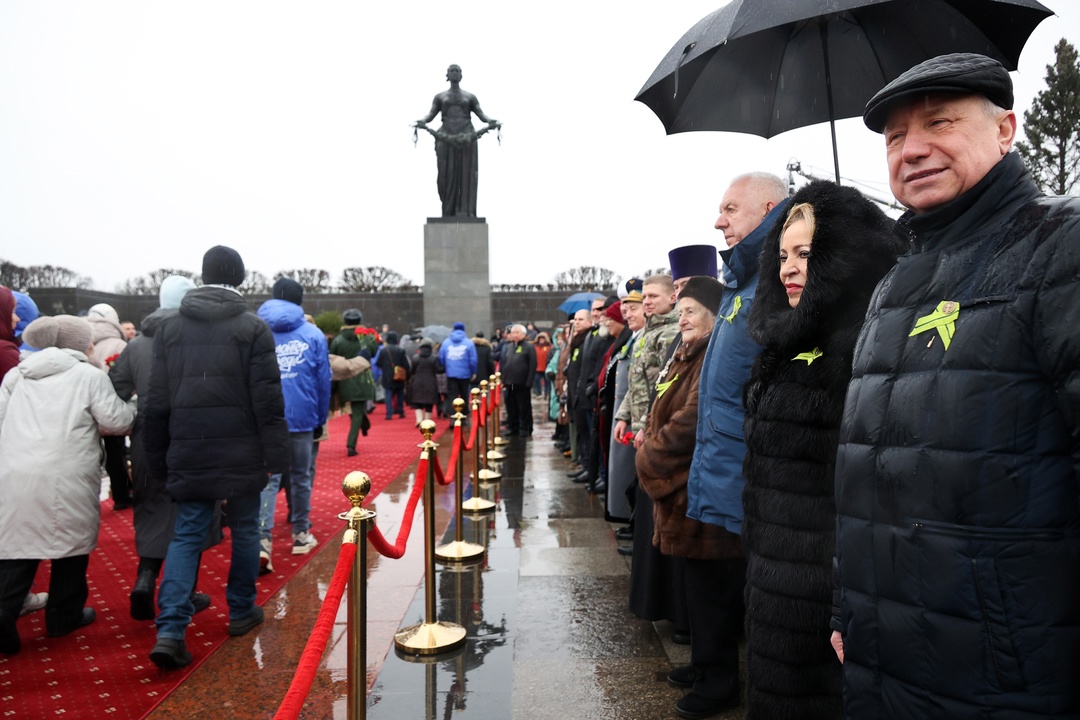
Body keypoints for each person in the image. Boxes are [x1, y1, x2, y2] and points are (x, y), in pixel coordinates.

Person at [831, 53, 1080, 718]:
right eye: (893, 137)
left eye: (939, 122)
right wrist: (847, 605)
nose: (912, 150)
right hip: (884, 656)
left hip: (1007, 672)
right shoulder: (894, 285)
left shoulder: (1060, 247)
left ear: (1006, 129)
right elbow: (868, 475)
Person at [741, 181, 903, 719]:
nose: (789, 268)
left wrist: (847, 604)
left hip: (824, 597)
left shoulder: (863, 347)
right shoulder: (787, 344)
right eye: (784, 255)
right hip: (772, 582)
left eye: (807, 254)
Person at [144, 245, 288, 669]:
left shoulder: (170, 329)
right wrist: (276, 454)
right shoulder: (252, 328)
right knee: (245, 528)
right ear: (239, 277)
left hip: (189, 445)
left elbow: (156, 402)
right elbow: (267, 399)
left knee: (187, 534)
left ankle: (170, 627)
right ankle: (241, 610)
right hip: (241, 446)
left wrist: (156, 457)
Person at [681, 172, 789, 718]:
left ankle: (725, 681)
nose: (718, 221)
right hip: (721, 464)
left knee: (753, 591)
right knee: (724, 582)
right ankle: (715, 671)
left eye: (730, 209)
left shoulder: (778, 283)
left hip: (750, 469)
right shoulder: (742, 286)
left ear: (769, 207)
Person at [0, 316, 136, 654]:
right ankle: (64, 615)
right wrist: (134, 404)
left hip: (16, 471)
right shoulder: (87, 376)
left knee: (20, 543)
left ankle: (3, 608)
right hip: (68, 471)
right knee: (71, 546)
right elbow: (115, 421)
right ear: (77, 343)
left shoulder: (16, 375)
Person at [110, 275, 216, 621]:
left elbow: (117, 390)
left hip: (146, 439)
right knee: (194, 515)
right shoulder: (200, 340)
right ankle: (184, 593)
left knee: (152, 510)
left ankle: (145, 579)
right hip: (192, 439)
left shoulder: (137, 344)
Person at [257, 277, 331, 570]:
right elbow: (322, 380)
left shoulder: (258, 331)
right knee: (301, 476)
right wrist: (320, 418)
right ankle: (301, 533)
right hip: (301, 416)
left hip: (267, 416)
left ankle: (262, 540)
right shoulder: (312, 334)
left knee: (269, 480)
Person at [415, 64, 500, 218]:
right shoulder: (440, 97)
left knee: (466, 173)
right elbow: (431, 114)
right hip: (446, 136)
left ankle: (465, 212)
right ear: (447, 75)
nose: (455, 73)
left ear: (461, 75)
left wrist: (490, 121)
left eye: (457, 71)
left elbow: (481, 114)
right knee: (445, 176)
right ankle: (447, 211)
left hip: (467, 135)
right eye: (452, 70)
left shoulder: (470, 97)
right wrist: (422, 122)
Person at [86, 302, 134, 510]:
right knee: (117, 451)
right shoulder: (119, 345)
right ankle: (122, 494)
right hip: (115, 403)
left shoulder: (83, 341)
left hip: (86, 406)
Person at [329, 309, 377, 457]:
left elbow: (333, 360)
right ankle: (352, 444)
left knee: (354, 410)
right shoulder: (367, 338)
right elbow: (373, 352)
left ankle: (361, 427)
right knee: (357, 410)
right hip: (363, 378)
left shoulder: (338, 340)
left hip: (345, 379)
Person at [499, 323, 536, 437]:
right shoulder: (509, 347)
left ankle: (525, 428)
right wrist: (503, 380)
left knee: (524, 407)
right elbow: (505, 364)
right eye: (513, 332)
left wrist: (529, 382)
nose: (514, 335)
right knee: (511, 407)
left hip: (522, 383)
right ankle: (513, 427)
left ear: (523, 334)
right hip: (509, 383)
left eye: (517, 332)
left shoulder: (528, 347)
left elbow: (532, 365)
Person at [439, 321, 477, 421]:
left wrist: (446, 366)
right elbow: (473, 360)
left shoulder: (446, 342)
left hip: (451, 373)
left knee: (452, 395)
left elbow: (441, 357)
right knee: (464, 394)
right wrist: (473, 372)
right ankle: (463, 415)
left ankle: (453, 417)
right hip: (465, 374)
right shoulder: (469, 343)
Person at [375, 332, 409, 420]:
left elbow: (378, 363)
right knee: (400, 394)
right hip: (399, 375)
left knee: (388, 394)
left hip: (387, 376)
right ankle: (401, 411)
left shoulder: (383, 350)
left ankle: (389, 413)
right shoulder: (401, 350)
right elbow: (406, 364)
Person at [408, 338, 442, 425]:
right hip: (431, 381)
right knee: (429, 403)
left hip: (417, 381)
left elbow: (411, 370)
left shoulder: (415, 358)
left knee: (418, 402)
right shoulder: (434, 358)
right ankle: (427, 420)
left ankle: (419, 419)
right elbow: (439, 370)